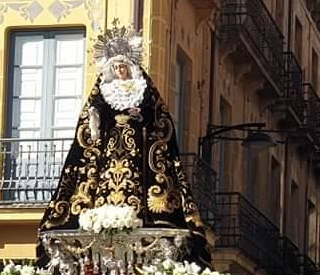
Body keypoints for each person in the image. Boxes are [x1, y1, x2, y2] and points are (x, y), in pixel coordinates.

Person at [39, 23, 208, 262]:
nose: (120, 71)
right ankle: (103, 214)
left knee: (136, 177)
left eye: (123, 67)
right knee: (105, 176)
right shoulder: (105, 89)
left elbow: (158, 117)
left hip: (138, 148)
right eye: (116, 67)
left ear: (130, 67)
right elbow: (93, 113)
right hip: (110, 144)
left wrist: (140, 116)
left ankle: (140, 214)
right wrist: (95, 119)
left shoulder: (144, 88)